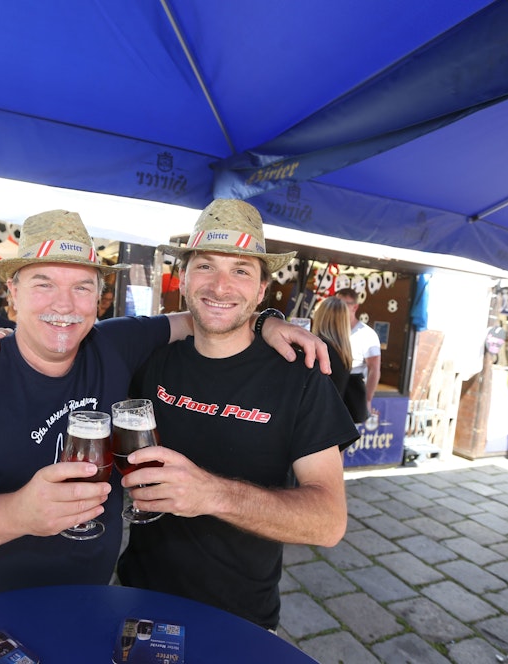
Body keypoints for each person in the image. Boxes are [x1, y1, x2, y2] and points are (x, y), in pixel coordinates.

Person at [0, 209, 330, 609]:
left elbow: (205, 316)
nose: (63, 305)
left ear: (100, 298)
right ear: (13, 292)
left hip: (94, 606)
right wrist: (19, 513)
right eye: (43, 283)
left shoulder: (116, 344)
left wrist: (266, 320)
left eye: (81, 286)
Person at [115, 199, 359, 631]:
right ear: (184, 278)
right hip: (140, 601)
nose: (221, 286)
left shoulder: (299, 378)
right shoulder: (151, 361)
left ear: (262, 290)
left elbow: (328, 521)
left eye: (241, 270)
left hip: (240, 621)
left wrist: (212, 494)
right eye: (206, 266)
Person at [311, 296, 368, 423]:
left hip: (314, 423)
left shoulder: (319, 348)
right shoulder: (344, 352)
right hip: (333, 424)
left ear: (321, 317)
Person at [336, 287, 381, 417]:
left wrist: (367, 399)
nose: (339, 308)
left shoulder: (367, 335)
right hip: (332, 388)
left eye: (344, 304)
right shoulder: (331, 330)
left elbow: (374, 369)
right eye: (336, 303)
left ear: (354, 307)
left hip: (352, 389)